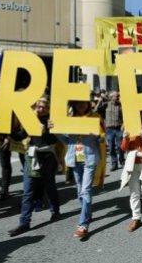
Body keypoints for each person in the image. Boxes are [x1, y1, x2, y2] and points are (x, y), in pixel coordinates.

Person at [9, 98, 61, 236]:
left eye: (44, 107)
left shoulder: (52, 121)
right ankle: (24, 222)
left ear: (48, 108)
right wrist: (5, 128)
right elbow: (20, 136)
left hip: (47, 157)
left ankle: (55, 211)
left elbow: (54, 140)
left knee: (50, 186)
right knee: (28, 191)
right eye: (38, 106)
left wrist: (45, 131)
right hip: (32, 157)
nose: (40, 109)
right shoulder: (30, 120)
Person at [60, 100, 102, 241]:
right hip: (75, 158)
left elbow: (102, 137)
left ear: (88, 104)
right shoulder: (69, 119)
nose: (81, 106)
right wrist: (55, 131)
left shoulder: (95, 117)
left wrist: (97, 134)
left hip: (89, 157)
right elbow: (66, 140)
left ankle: (83, 225)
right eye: (78, 104)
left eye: (83, 103)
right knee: (79, 190)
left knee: (85, 190)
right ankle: (87, 213)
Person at [100, 91, 124, 169]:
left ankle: (121, 159)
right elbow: (97, 110)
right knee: (111, 147)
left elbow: (125, 116)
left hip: (118, 128)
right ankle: (114, 164)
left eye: (118, 96)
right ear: (111, 97)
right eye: (116, 96)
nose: (117, 98)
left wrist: (123, 125)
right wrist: (100, 101)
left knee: (120, 146)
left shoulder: (120, 105)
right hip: (109, 129)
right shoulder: (106, 104)